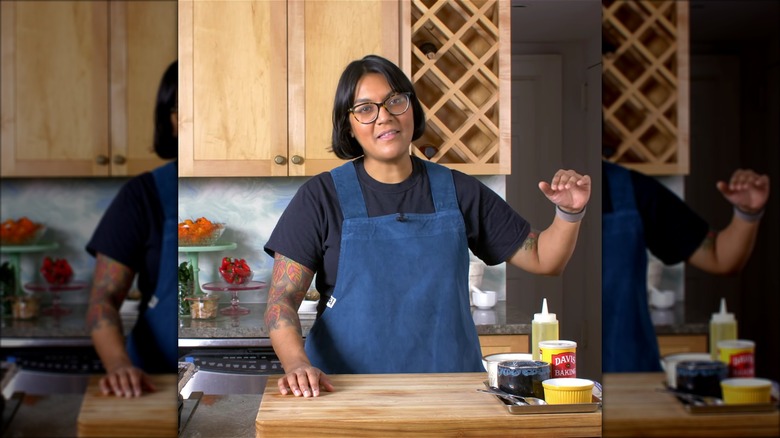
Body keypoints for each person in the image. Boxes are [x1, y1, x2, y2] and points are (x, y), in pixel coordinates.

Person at [263, 54, 592, 398]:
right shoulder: (320, 197)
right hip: (343, 392)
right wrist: (297, 363)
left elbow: (543, 258)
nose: (384, 117)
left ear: (412, 109)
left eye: (395, 101)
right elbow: (281, 299)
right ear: (348, 125)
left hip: (450, 391)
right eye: (365, 108)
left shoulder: (460, 191)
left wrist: (570, 213)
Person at [602, 160, 769, 372]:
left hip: (627, 373)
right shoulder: (546, 191)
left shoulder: (631, 189)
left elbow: (719, 257)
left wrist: (747, 213)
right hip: (554, 375)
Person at [85, 60, 178, 397]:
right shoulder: (141, 196)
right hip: (147, 383)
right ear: (170, 121)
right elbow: (102, 299)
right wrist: (118, 365)